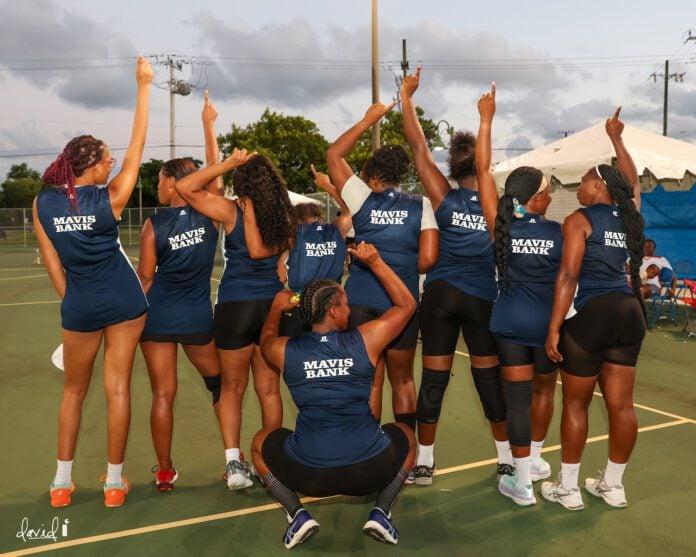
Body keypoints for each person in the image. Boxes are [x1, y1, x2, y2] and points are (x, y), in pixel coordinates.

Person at [34, 57, 153, 507]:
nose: (113, 164)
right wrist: (143, 86)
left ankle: (61, 483)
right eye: (108, 160)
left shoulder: (42, 204)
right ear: (92, 167)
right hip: (124, 302)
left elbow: (53, 264)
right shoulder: (111, 198)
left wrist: (76, 302)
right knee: (117, 389)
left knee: (73, 391)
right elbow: (138, 144)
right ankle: (113, 484)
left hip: (80, 305)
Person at [254, 242, 417, 549]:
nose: (350, 309)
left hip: (309, 475)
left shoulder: (285, 350)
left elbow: (265, 340)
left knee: (259, 442)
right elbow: (407, 305)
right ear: (333, 311)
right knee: (407, 436)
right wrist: (376, 262)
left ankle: (296, 513)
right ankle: (381, 510)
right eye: (345, 304)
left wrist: (276, 309)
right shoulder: (366, 340)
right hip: (369, 471)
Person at [400, 67, 509, 485]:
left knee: (434, 381)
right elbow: (484, 165)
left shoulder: (444, 197)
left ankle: (424, 463)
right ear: (482, 164)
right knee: (489, 381)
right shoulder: (496, 203)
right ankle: (505, 459)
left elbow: (419, 148)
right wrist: (486, 119)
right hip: (481, 297)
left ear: (453, 166)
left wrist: (407, 98)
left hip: (441, 296)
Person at [543, 107, 646, 510]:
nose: (579, 187)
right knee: (621, 405)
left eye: (584, 180)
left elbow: (568, 276)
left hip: (593, 313)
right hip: (629, 312)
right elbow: (632, 182)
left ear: (599, 184)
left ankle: (568, 488)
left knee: (575, 403)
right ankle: (613, 485)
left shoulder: (579, 219)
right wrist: (616, 138)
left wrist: (554, 328)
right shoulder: (629, 215)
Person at [175, 148, 294, 490]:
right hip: (272, 306)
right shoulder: (283, 213)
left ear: (241, 181)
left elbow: (184, 187)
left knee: (231, 387)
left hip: (236, 305)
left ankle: (234, 463)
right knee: (269, 389)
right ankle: (269, 459)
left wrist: (226, 164)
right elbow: (283, 253)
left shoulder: (232, 209)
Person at [326, 101, 439, 434]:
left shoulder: (361, 197)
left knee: (370, 379)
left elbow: (334, 155)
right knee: (403, 379)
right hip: (402, 301)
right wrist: (400, 264)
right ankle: (407, 447)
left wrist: (368, 120)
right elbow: (429, 259)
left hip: (361, 299)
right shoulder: (421, 204)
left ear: (373, 176)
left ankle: (369, 444)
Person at [475, 83, 562, 506]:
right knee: (545, 393)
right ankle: (538, 458)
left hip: (509, 323)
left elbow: (482, 171)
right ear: (536, 198)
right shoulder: (561, 232)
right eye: (547, 191)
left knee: (517, 402)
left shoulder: (501, 227)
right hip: (547, 327)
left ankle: (523, 482)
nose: (550, 196)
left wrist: (486, 120)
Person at [136, 92, 224, 492]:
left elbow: (145, 279)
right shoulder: (210, 212)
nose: (157, 185)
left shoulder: (153, 225)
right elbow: (215, 178)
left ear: (174, 182)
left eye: (159, 179)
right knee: (219, 385)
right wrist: (209, 125)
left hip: (156, 317)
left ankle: (165, 472)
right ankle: (234, 458)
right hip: (195, 317)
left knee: (162, 395)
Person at [277, 165, 351, 338]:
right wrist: (327, 185)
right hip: (332, 304)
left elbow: (281, 277)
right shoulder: (337, 230)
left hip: (299, 303)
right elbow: (349, 210)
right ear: (320, 217)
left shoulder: (292, 235)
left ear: (295, 219)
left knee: (296, 351)